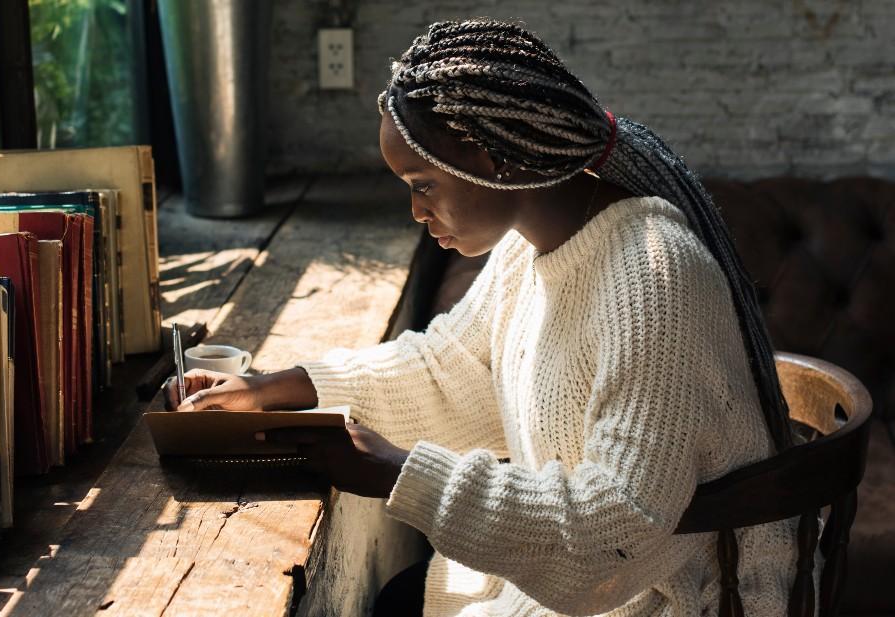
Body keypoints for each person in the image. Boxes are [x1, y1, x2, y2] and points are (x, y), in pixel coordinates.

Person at [165, 18, 800, 617]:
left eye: (422, 185)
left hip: (669, 598)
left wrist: (397, 472)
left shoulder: (654, 277)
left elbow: (620, 526)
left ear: (492, 159)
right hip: (600, 584)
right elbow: (453, 371)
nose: (415, 212)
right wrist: (281, 387)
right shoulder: (529, 249)